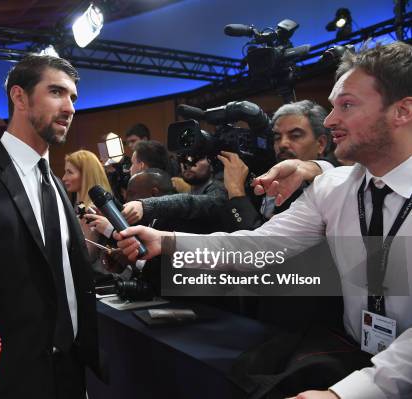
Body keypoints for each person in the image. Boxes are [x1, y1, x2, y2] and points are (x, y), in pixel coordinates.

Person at [116, 42, 412, 398]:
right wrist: (167, 242)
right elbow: (256, 247)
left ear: (402, 111)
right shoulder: (331, 186)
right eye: (332, 106)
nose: (331, 120)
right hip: (354, 359)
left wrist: (347, 394)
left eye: (347, 105)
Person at [0, 54, 100, 399]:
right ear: (19, 97)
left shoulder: (54, 181)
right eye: (56, 92)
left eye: (73, 97)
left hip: (72, 374)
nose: (69, 107)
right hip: (10, 379)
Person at [219, 100, 333, 230]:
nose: (282, 144)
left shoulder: (326, 188)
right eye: (277, 137)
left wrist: (236, 190)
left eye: (295, 136)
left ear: (321, 144)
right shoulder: (267, 174)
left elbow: (262, 245)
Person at [62, 149, 114, 273]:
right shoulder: (82, 206)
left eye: (70, 172)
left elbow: (87, 254)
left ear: (86, 174)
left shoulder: (90, 209)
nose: (64, 178)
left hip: (99, 280)